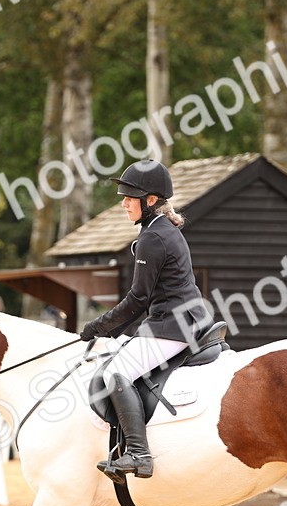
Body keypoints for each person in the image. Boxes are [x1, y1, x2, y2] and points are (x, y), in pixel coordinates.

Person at [79, 159, 211, 481]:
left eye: (129, 197)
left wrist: (97, 327)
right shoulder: (160, 230)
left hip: (173, 326)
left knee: (116, 372)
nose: (123, 203)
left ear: (150, 200)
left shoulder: (154, 237)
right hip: (178, 320)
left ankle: (139, 454)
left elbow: (137, 299)